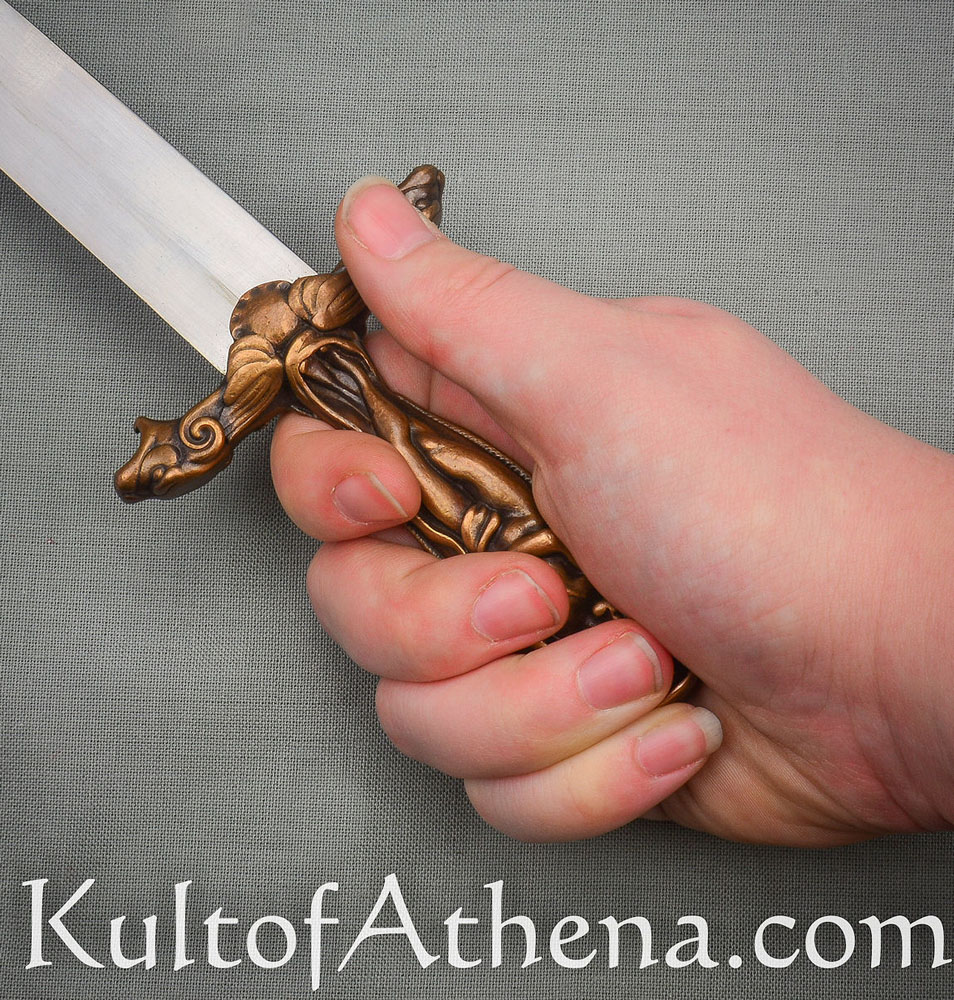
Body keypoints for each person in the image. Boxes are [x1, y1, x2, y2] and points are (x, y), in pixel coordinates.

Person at [270, 177, 954, 846]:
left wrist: (877, 644)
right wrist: (876, 697)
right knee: (415, 473)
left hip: (501, 522)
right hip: (498, 523)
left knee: (420, 471)